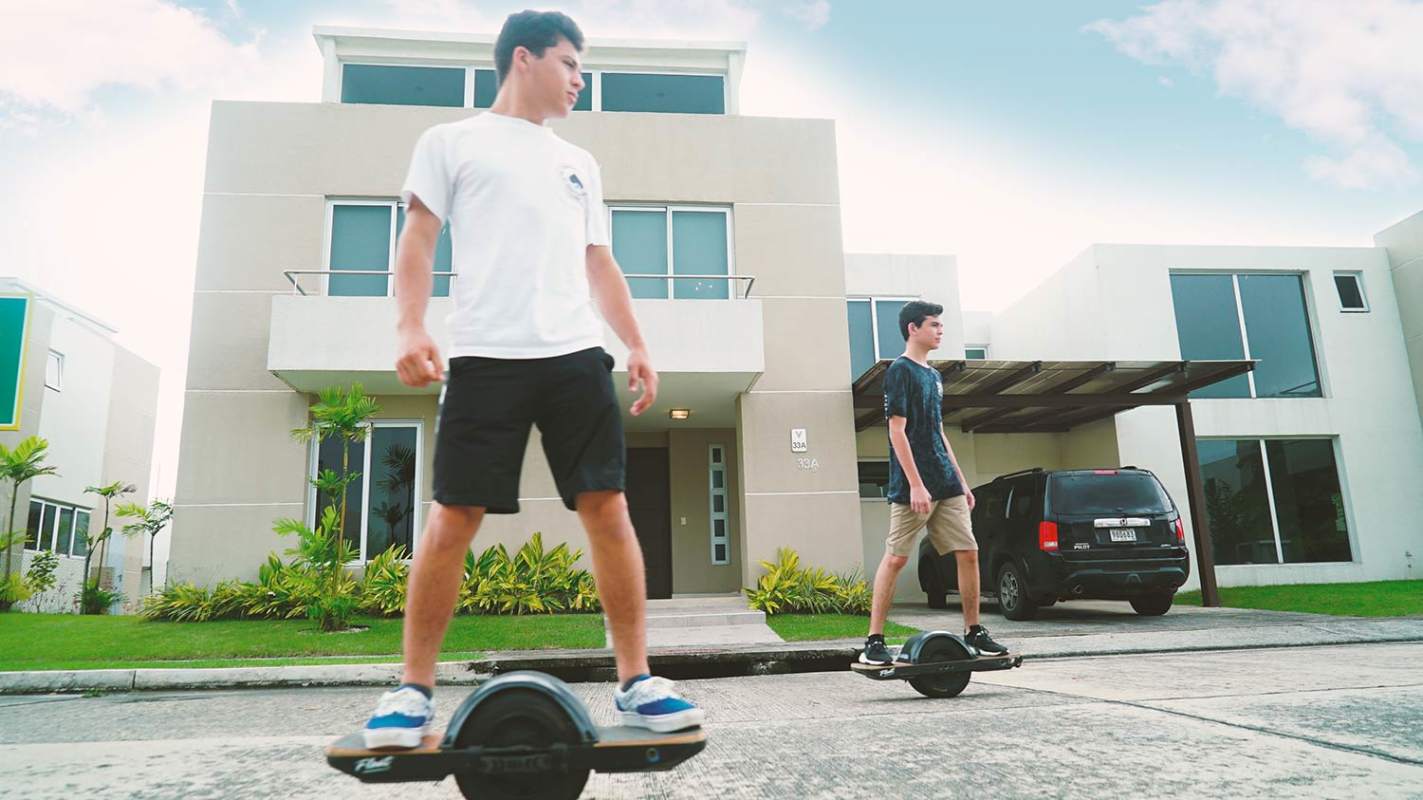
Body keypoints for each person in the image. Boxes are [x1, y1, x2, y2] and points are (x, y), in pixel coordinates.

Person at [361, 10, 704, 749]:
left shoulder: (578, 160)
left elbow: (597, 262)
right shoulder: (449, 142)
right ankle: (412, 689)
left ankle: (637, 680)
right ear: (525, 59)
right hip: (484, 356)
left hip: (576, 355)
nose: (580, 79)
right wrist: (410, 326)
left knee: (608, 508)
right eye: (571, 64)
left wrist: (636, 343)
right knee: (453, 517)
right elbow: (417, 237)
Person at [860, 300, 1009, 666]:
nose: (940, 331)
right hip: (913, 488)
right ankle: (874, 642)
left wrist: (962, 481)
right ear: (913, 328)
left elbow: (939, 432)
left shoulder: (934, 376)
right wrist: (915, 484)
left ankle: (974, 631)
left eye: (941, 325)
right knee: (895, 558)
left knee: (969, 552)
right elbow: (897, 431)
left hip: (946, 484)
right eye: (934, 325)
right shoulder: (900, 371)